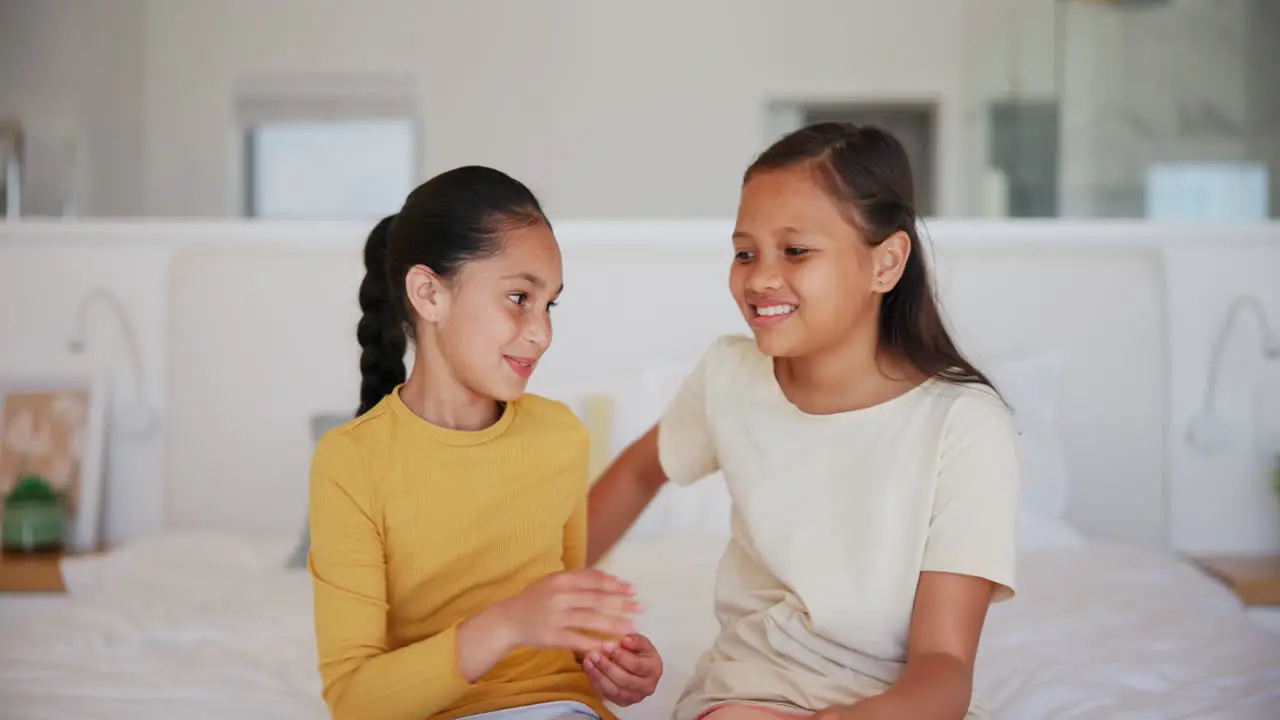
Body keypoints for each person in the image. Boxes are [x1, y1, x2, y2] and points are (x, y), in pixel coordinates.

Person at [585, 124, 1021, 720]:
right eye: (745, 252)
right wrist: (544, 596)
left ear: (886, 263)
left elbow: (943, 666)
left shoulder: (965, 425)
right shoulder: (728, 378)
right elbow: (638, 473)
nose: (760, 278)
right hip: (751, 696)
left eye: (796, 250)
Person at [307, 166, 663, 720]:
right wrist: (510, 622)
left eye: (550, 305)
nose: (542, 332)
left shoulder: (560, 435)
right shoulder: (351, 461)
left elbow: (568, 621)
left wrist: (614, 661)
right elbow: (356, 701)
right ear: (428, 294)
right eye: (519, 296)